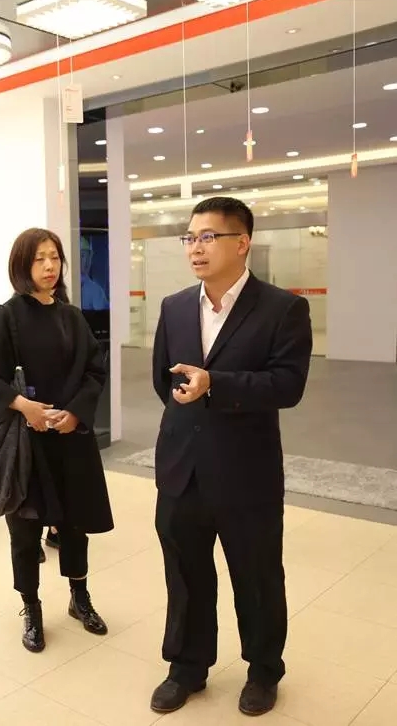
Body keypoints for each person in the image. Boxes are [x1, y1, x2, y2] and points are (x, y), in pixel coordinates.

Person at [150, 197, 312, 717]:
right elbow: (162, 379)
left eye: (208, 237)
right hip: (182, 469)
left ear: (242, 243)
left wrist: (215, 384)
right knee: (186, 575)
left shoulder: (282, 309)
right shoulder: (175, 306)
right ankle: (187, 667)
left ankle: (263, 670)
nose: (195, 248)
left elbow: (287, 385)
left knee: (257, 577)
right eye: (190, 238)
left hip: (247, 472)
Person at [0, 228, 114, 654]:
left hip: (70, 440)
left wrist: (76, 414)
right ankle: (30, 607)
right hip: (26, 445)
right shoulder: (4, 318)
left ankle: (79, 597)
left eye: (54, 258)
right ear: (21, 265)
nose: (50, 267)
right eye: (39, 259)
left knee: (75, 525)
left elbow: (94, 371)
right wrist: (22, 406)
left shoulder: (71, 317)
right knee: (25, 530)